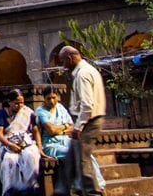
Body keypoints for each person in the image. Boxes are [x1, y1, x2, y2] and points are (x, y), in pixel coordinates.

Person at [36, 86, 105, 195]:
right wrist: (64, 127)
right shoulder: (41, 111)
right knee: (75, 156)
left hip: (66, 141)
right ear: (44, 99)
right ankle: (80, 187)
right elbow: (51, 130)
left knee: (86, 155)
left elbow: (72, 127)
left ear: (58, 97)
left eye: (54, 97)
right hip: (52, 144)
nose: (52, 101)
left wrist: (61, 130)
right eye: (48, 98)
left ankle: (98, 185)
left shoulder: (61, 108)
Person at [57, 45, 106, 196]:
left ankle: (93, 193)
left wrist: (78, 127)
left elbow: (87, 105)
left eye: (63, 62)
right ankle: (63, 190)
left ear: (69, 58)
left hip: (89, 121)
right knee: (72, 157)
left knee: (83, 160)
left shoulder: (83, 74)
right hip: (90, 119)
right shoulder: (90, 70)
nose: (64, 66)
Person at [0, 89, 42, 196]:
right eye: (16, 103)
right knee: (10, 160)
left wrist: (40, 148)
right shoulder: (2, 112)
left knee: (32, 155)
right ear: (10, 102)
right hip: (8, 144)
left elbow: (35, 131)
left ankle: (30, 186)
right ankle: (10, 190)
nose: (20, 105)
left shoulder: (28, 112)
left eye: (22, 102)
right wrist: (10, 145)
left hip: (26, 142)